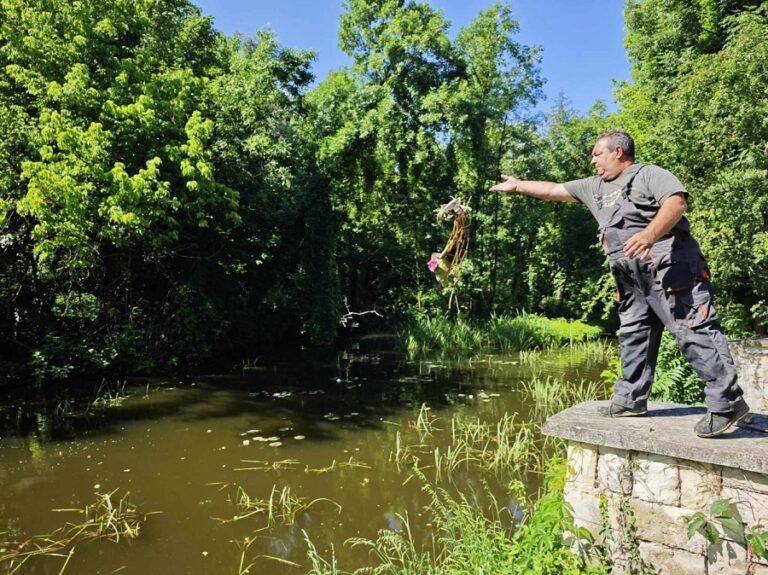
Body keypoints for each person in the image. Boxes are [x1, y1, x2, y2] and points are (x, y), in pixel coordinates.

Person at [490, 129, 749, 438]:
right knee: (634, 333)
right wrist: (518, 186)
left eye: (597, 154)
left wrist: (650, 234)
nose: (592, 160)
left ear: (618, 152)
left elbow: (676, 203)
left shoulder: (648, 174)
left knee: (691, 329)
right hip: (630, 277)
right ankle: (630, 400)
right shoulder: (593, 186)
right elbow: (553, 189)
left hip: (671, 267)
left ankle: (727, 403)